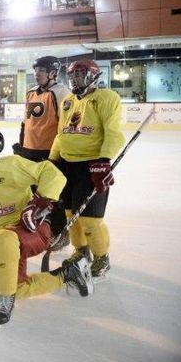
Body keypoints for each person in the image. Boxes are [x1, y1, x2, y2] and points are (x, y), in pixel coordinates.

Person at [0, 127, 93, 326]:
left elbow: (51, 173)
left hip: (34, 230)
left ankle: (5, 299)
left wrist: (41, 201)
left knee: (2, 237)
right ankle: (68, 275)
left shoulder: (11, 166)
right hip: (8, 242)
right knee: (18, 287)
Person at [49, 59, 125, 279]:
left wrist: (104, 160)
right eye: (72, 75)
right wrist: (53, 160)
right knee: (71, 214)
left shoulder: (106, 98)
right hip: (67, 165)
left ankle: (102, 258)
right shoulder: (68, 102)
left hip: (92, 166)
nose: (75, 79)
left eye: (81, 74)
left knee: (90, 220)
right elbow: (61, 134)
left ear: (94, 76)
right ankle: (81, 252)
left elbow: (113, 132)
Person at [13, 56, 71, 243]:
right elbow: (26, 123)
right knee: (32, 193)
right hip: (29, 151)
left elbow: (65, 127)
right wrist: (21, 145)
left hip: (49, 153)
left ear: (53, 73)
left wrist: (59, 154)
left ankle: (60, 232)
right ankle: (40, 226)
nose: (37, 74)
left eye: (41, 71)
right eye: (36, 71)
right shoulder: (31, 92)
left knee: (52, 194)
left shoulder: (62, 93)